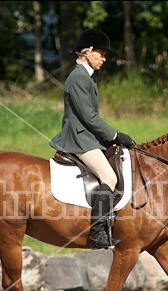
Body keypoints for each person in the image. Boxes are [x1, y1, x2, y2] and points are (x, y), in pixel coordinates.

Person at [49, 28, 135, 250]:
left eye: (105, 55)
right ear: (87, 52)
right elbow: (89, 116)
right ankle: (97, 233)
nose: (104, 59)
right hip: (78, 139)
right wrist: (115, 135)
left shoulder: (87, 77)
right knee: (109, 176)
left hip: (87, 135)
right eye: (100, 54)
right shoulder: (78, 78)